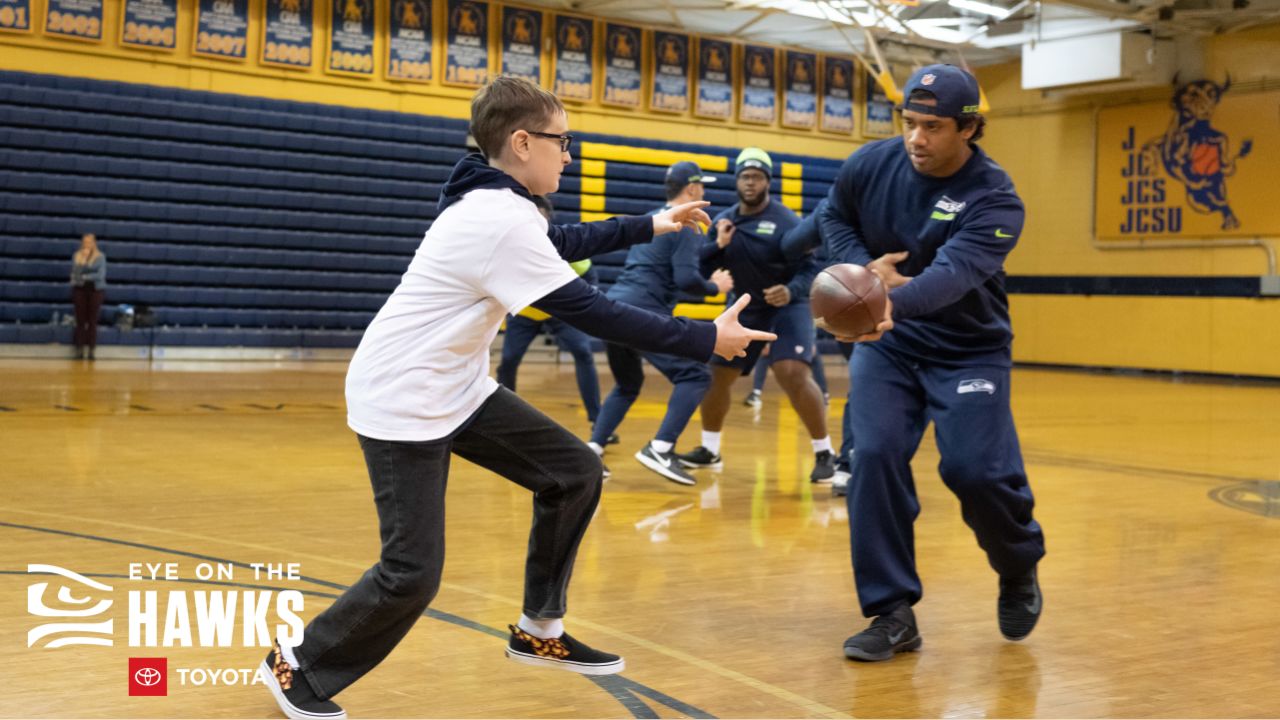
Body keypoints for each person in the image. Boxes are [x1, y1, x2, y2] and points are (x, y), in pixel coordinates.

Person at [257, 75, 776, 720]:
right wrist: (705, 338)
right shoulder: (495, 216)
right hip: (403, 398)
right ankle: (298, 663)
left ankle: (540, 630)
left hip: (456, 387)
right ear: (523, 142)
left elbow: (560, 246)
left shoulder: (501, 203)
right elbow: (592, 309)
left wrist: (650, 224)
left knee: (574, 471)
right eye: (563, 141)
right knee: (411, 571)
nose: (570, 153)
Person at [818, 64, 1046, 662]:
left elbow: (953, 276)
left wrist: (881, 298)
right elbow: (833, 218)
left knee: (976, 473)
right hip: (889, 347)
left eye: (934, 126)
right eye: (909, 123)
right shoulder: (872, 164)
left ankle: (1017, 562)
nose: (916, 138)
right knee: (872, 456)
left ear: (968, 128)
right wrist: (864, 269)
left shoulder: (995, 197)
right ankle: (892, 612)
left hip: (967, 348)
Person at [678, 148, 836, 482]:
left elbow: (811, 269)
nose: (750, 183)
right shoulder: (723, 221)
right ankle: (710, 449)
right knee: (716, 373)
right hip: (746, 306)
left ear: (768, 181)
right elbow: (700, 268)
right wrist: (718, 245)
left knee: (790, 371)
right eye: (745, 177)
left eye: (757, 177)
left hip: (786, 306)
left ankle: (825, 453)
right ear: (737, 181)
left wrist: (791, 290)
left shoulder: (788, 221)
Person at [586, 161, 734, 486]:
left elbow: (675, 259)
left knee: (627, 385)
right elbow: (686, 277)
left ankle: (592, 447)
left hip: (614, 306)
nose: (704, 192)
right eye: (702, 187)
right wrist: (715, 288)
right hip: (644, 310)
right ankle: (661, 447)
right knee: (694, 374)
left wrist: (717, 247)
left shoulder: (657, 218)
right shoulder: (690, 222)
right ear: (693, 189)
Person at [497, 196, 604, 431]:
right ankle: (505, 418)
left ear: (547, 220)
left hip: (559, 312)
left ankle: (598, 420)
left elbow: (589, 277)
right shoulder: (511, 245)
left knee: (583, 352)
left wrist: (583, 305)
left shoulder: (562, 243)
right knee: (508, 360)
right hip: (526, 311)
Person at [69, 233, 106, 360]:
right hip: (80, 290)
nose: (87, 244)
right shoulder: (77, 256)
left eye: (90, 242)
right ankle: (79, 349)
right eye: (85, 242)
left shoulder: (100, 257)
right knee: (80, 321)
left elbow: (100, 275)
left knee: (92, 321)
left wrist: (85, 277)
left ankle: (91, 350)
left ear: (94, 243)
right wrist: (83, 262)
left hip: (96, 290)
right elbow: (75, 274)